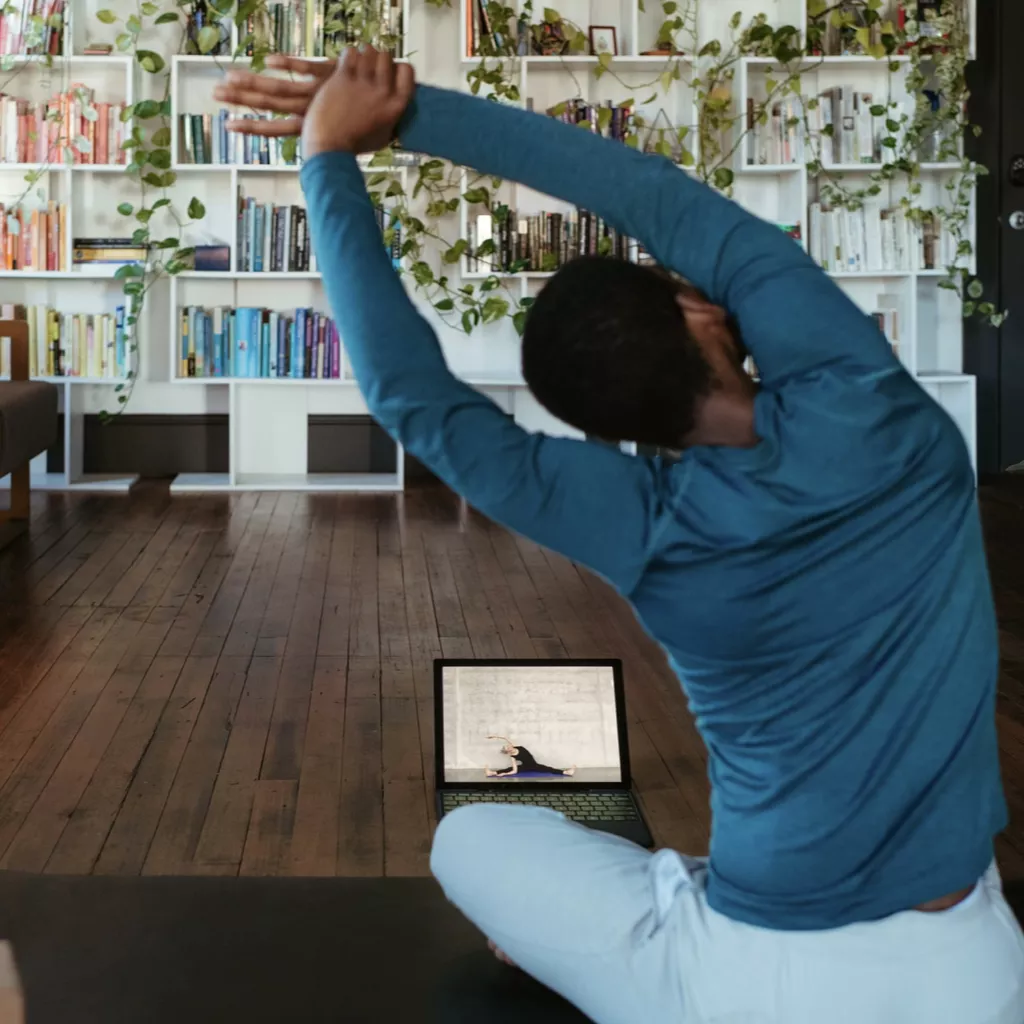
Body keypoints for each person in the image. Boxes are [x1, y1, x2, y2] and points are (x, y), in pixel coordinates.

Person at [214, 50, 1024, 1024]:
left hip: (754, 982)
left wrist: (324, 162)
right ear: (695, 308)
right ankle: (672, 891)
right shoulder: (878, 412)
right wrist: (397, 115)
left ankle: (658, 900)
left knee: (468, 841)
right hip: (974, 971)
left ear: (609, 428)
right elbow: (652, 195)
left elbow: (412, 400)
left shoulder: (653, 525)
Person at [484, 734, 576, 778]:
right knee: (508, 769)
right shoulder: (513, 757)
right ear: (508, 751)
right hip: (530, 766)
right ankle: (492, 773)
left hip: (531, 765)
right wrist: (505, 774)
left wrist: (494, 736)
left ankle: (567, 772)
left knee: (548, 768)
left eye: (508, 745)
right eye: (507, 747)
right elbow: (514, 771)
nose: (508, 745)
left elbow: (505, 737)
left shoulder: (516, 746)